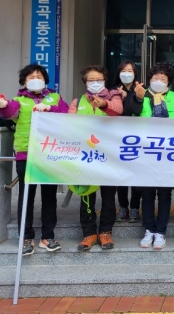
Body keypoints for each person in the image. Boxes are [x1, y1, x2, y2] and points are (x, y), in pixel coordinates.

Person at [0, 64, 69, 255]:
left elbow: (66, 113)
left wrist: (49, 108)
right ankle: (26, 237)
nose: (36, 80)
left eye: (39, 76)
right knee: (26, 196)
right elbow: (10, 113)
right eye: (31, 77)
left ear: (45, 80)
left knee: (49, 196)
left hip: (50, 153)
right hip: (26, 154)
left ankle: (47, 236)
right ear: (23, 83)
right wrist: (2, 106)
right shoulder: (19, 100)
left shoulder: (55, 97)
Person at [68, 65, 123, 250]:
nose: (95, 83)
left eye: (99, 80)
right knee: (86, 195)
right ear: (85, 83)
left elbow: (118, 110)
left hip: (109, 155)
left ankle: (106, 231)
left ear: (105, 81)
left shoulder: (114, 97)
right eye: (91, 80)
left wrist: (104, 105)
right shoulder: (78, 102)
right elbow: (68, 124)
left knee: (108, 196)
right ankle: (89, 233)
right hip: (86, 157)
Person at [138, 62, 174, 250]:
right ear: (150, 79)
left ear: (168, 82)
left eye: (163, 79)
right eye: (156, 78)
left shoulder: (173, 97)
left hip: (167, 151)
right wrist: (137, 98)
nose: (159, 81)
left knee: (164, 193)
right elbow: (131, 113)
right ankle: (149, 229)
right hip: (145, 150)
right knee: (147, 193)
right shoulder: (142, 95)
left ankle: (161, 230)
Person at [112, 61, 145, 223]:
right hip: (118, 138)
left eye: (130, 71)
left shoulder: (140, 90)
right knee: (121, 175)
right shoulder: (112, 91)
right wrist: (120, 98)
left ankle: (135, 207)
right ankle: (123, 206)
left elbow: (137, 111)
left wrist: (133, 97)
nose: (127, 73)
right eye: (124, 70)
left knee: (136, 174)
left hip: (137, 138)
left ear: (135, 73)